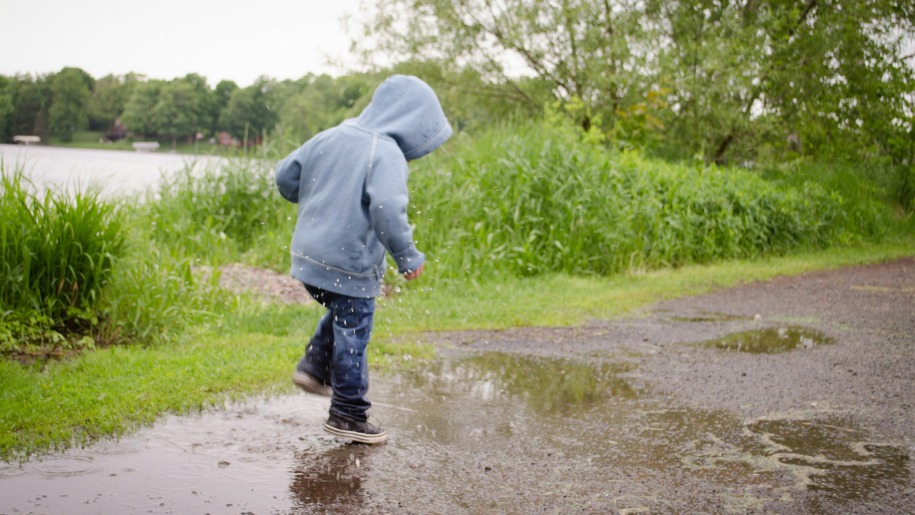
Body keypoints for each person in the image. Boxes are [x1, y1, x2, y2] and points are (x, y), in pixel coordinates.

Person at [275, 75, 452, 444]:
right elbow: (387, 210)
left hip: (308, 259)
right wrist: (407, 256)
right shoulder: (384, 151)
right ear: (410, 121)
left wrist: (315, 198)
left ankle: (314, 366)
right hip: (349, 262)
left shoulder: (331, 135)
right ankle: (348, 413)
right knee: (355, 328)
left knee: (344, 311)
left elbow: (285, 176)